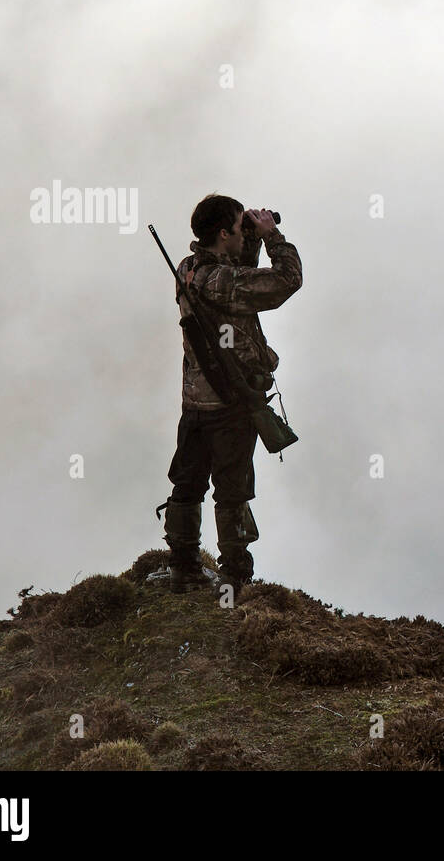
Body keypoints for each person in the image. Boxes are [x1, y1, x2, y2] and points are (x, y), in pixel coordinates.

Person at [157, 194, 302, 597]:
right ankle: (235, 577)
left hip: (196, 400)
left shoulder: (189, 269)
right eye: (240, 227)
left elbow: (235, 278)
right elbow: (284, 282)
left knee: (187, 483)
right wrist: (274, 238)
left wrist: (249, 238)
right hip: (231, 403)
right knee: (233, 491)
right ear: (223, 234)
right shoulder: (223, 281)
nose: (246, 230)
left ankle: (183, 569)